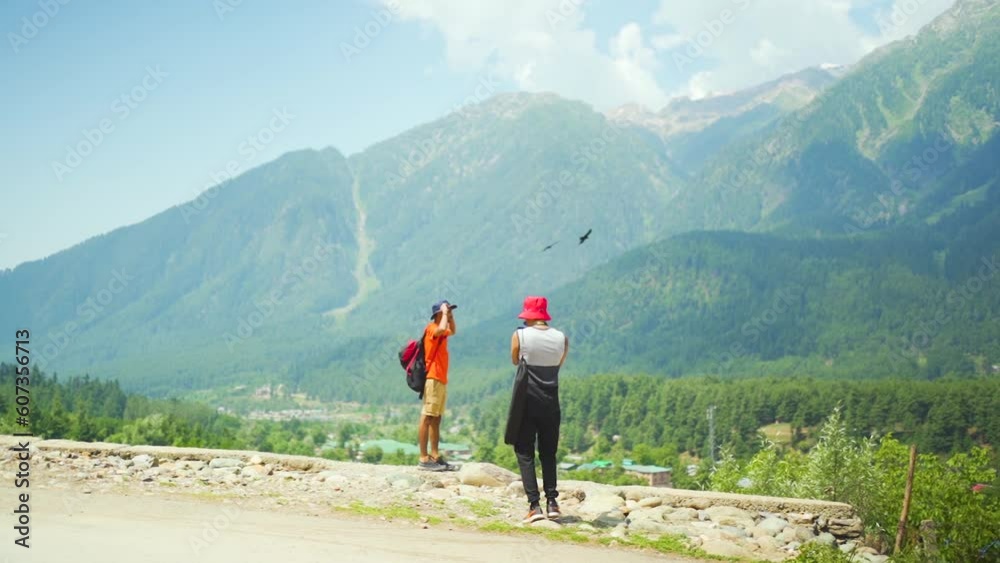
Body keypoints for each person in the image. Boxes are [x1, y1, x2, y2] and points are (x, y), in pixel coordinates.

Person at [507, 296, 568, 523]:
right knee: (548, 453)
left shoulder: (520, 335)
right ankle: (553, 502)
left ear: (528, 315)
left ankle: (534, 506)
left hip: (527, 401)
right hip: (551, 402)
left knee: (524, 452)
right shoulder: (562, 338)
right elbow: (557, 364)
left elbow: (515, 360)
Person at [418, 300, 457, 471]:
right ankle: (424, 458)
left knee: (437, 418)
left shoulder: (442, 330)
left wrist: (450, 316)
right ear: (437, 314)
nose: (447, 314)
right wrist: (443, 313)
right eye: (445, 312)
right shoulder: (432, 329)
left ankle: (435, 455)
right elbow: (441, 328)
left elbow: (452, 330)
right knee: (427, 417)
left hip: (441, 378)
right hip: (433, 377)